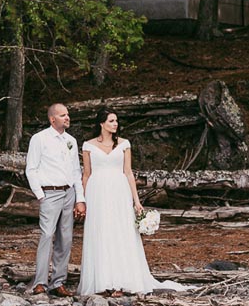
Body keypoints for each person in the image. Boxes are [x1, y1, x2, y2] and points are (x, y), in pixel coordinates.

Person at [78, 109, 184, 296]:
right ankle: (102, 282)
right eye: (111, 121)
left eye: (116, 121)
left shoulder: (124, 144)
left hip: (119, 191)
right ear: (101, 123)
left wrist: (136, 201)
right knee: (101, 232)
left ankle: (120, 282)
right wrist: (83, 200)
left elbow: (128, 172)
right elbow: (86, 174)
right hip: (97, 192)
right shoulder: (88, 145)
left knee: (120, 232)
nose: (115, 124)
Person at [25, 103, 86, 296]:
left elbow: (76, 171)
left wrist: (80, 198)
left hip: (69, 193)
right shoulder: (39, 139)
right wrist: (40, 195)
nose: (67, 117)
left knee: (65, 238)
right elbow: (31, 168)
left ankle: (59, 282)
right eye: (63, 115)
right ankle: (40, 282)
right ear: (53, 119)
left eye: (68, 114)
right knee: (46, 235)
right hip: (49, 192)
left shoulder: (71, 141)